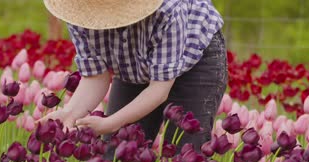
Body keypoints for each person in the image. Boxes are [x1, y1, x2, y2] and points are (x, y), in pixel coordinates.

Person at [41, 0, 227, 151]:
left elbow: (159, 89)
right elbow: (96, 77)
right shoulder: (79, 12)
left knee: (184, 158)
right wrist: (69, 113)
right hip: (133, 64)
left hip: (195, 59)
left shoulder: (168, 9)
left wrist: (111, 123)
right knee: (117, 159)